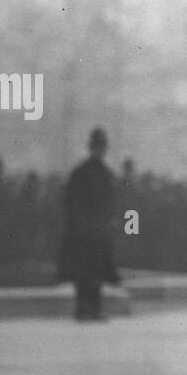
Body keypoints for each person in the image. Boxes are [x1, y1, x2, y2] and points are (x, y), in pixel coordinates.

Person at [57, 127, 120, 321]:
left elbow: (112, 203)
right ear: (92, 148)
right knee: (83, 272)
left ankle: (93, 308)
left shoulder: (105, 174)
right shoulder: (81, 173)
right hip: (84, 231)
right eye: (96, 147)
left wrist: (108, 223)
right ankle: (83, 308)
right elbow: (72, 203)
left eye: (101, 147)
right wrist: (79, 225)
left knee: (96, 272)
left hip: (98, 231)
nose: (99, 150)